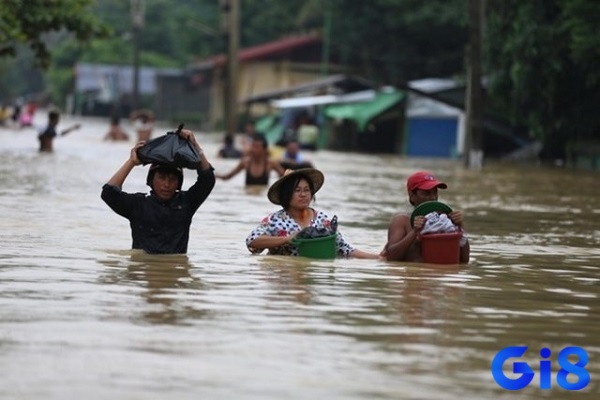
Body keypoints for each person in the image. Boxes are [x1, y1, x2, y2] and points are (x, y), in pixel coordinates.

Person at [100, 129, 215, 254]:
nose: (167, 184)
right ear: (151, 180)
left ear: (179, 183)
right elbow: (108, 193)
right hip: (143, 270)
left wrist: (195, 145)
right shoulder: (139, 204)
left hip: (175, 271)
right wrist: (131, 162)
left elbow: (207, 179)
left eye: (172, 179)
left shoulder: (186, 202)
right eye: (161, 178)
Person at [246, 168, 380, 259]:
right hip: (284, 275)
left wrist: (377, 258)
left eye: (307, 190)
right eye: (297, 190)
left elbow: (344, 249)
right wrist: (286, 239)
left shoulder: (322, 219)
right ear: (287, 195)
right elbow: (251, 241)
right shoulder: (275, 220)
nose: (303, 194)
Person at [384, 171, 470, 263]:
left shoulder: (445, 220)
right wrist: (414, 232)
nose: (432, 198)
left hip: (439, 275)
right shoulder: (402, 221)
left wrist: (460, 227)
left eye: (434, 193)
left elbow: (464, 260)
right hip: (415, 275)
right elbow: (391, 257)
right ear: (412, 196)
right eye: (426, 193)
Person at [216, 134, 285, 185]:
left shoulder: (271, 163)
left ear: (264, 150)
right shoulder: (245, 162)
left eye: (257, 147)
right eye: (253, 146)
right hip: (248, 196)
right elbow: (227, 177)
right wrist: (214, 176)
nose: (253, 149)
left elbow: (285, 177)